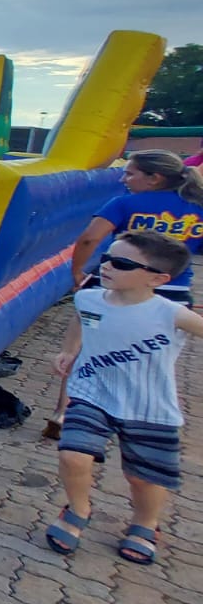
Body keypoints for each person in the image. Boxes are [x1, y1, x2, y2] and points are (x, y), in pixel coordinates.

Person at [44, 230, 203, 564]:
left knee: (143, 478)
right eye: (106, 257)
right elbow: (81, 319)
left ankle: (145, 524)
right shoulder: (88, 298)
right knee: (73, 455)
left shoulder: (171, 314)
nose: (107, 266)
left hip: (149, 406)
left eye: (121, 263)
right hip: (91, 392)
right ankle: (78, 509)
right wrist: (68, 350)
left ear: (157, 279)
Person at [45, 149, 203, 437]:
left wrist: (78, 273)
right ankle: (133, 415)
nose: (124, 178)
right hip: (172, 291)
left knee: (82, 345)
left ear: (154, 178)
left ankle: (63, 412)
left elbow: (89, 238)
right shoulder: (196, 207)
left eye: (130, 173)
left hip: (120, 283)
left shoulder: (127, 203)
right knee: (152, 357)